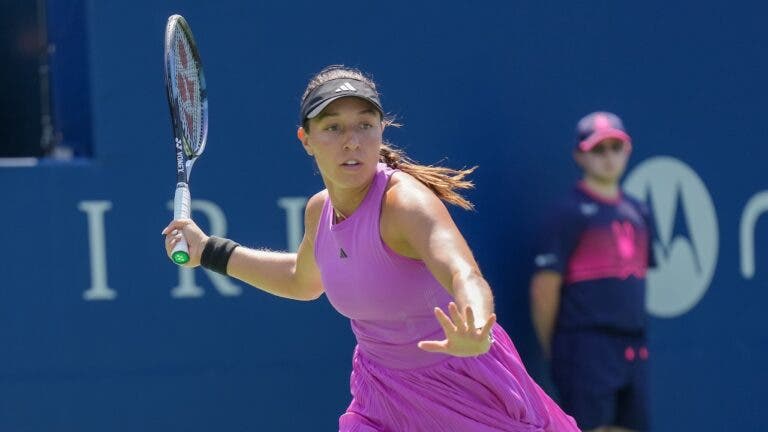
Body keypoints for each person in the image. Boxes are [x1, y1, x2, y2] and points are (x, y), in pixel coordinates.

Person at [163, 65, 579, 432]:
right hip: (381, 394)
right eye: (333, 127)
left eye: (365, 124)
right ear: (305, 139)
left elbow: (463, 272)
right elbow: (302, 281)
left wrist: (475, 325)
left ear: (382, 130)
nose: (352, 141)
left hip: (465, 386)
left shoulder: (405, 203)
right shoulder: (319, 211)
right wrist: (208, 251)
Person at [529, 111, 656, 432]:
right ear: (580, 156)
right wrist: (556, 349)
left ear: (628, 150)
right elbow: (544, 289)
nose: (609, 157)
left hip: (632, 347)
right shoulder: (567, 212)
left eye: (616, 147)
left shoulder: (639, 211)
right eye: (599, 150)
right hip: (584, 346)